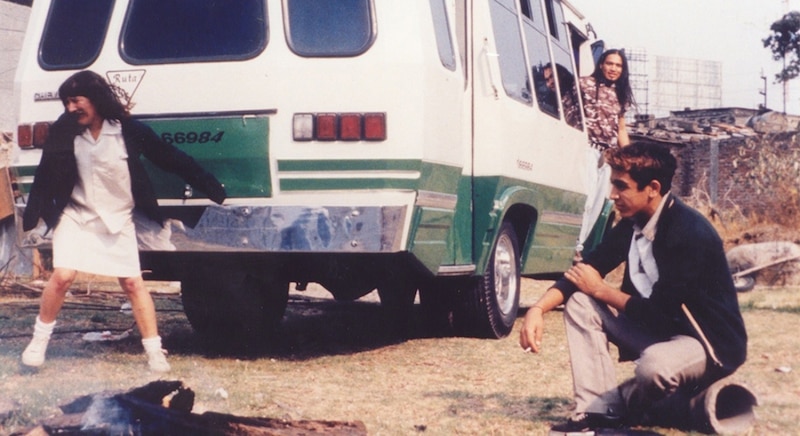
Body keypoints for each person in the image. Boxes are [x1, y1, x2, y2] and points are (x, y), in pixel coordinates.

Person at [519, 142, 747, 434]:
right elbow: (586, 269)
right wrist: (538, 308)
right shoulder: (634, 221)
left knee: (652, 369)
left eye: (621, 186)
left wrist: (601, 290)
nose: (612, 194)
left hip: (706, 343)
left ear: (652, 188)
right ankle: (599, 413)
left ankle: (634, 402)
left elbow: (661, 312)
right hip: (663, 333)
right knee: (580, 302)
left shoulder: (690, 232)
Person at [20, 70, 227, 372]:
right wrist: (33, 213)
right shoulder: (64, 131)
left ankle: (155, 353)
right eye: (66, 102)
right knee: (63, 276)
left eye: (76, 100)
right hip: (76, 215)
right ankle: (37, 344)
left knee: (132, 283)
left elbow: (168, 157)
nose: (70, 108)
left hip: (118, 217)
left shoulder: (128, 130)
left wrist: (210, 185)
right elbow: (45, 172)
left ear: (96, 99)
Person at [577, 49, 635, 255]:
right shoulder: (584, 84)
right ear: (601, 64)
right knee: (586, 198)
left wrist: (629, 156)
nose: (613, 69)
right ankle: (574, 246)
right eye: (610, 64)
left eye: (618, 65)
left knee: (599, 202)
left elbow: (621, 129)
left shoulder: (621, 95)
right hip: (587, 148)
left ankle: (579, 247)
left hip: (607, 156)